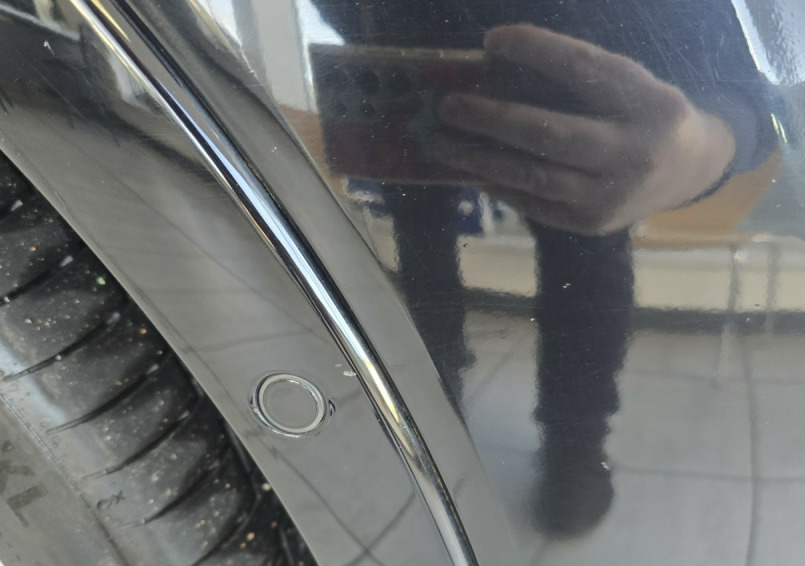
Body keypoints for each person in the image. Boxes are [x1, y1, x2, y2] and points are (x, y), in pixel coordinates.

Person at [311, 0, 775, 535]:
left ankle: (570, 442)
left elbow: (745, 75)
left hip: (561, 93)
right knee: (428, 244)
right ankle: (451, 401)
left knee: (574, 257)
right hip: (415, 79)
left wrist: (712, 140)